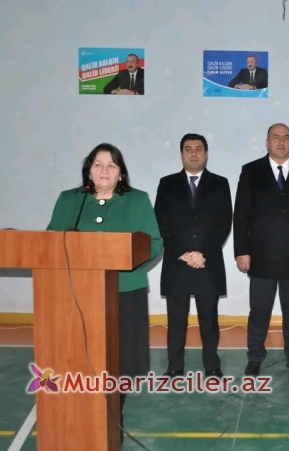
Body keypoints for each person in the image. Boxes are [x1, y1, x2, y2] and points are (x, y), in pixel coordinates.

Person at [46, 143, 162, 443]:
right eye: (98, 164)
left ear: (121, 173)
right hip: (77, 295)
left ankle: (111, 420)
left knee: (117, 362)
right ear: (89, 171)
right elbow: (50, 242)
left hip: (123, 292)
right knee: (79, 359)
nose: (104, 170)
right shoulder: (70, 200)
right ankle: (78, 420)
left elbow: (154, 243)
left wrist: (124, 263)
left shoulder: (137, 200)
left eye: (112, 165)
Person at [233, 123, 289, 376]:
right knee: (259, 312)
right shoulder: (251, 170)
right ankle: (255, 358)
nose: (281, 142)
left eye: (286, 137)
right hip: (260, 256)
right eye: (276, 137)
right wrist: (241, 250)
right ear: (267, 142)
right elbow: (240, 214)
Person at [154, 133, 233, 379]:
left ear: (206, 154)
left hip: (207, 263)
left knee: (209, 320)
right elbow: (161, 222)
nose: (194, 153)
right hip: (177, 262)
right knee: (176, 321)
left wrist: (203, 253)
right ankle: (174, 367)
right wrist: (183, 253)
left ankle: (212, 366)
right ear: (181, 154)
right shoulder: (167, 184)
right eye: (188, 149)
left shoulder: (220, 183)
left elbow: (224, 223)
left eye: (198, 149)